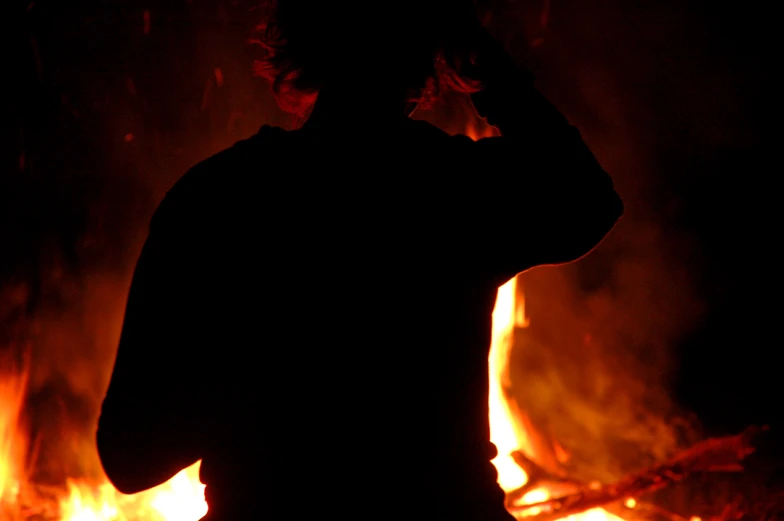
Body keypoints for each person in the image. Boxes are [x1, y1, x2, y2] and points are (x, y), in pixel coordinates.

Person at [96, 1, 623, 520]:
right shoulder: (451, 188)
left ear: (300, 48)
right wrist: (498, 79)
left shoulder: (216, 197)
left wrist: (267, 383)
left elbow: (131, 457)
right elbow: (588, 200)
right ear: (429, 56)